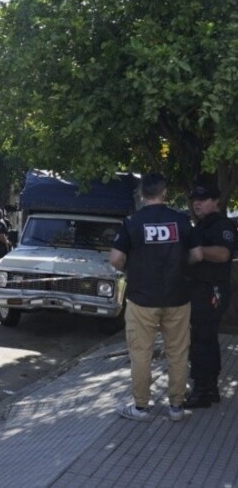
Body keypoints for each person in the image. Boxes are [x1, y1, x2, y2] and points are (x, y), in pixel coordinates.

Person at [109, 173, 201, 422]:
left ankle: (141, 408)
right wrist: (181, 267)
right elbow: (198, 255)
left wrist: (128, 270)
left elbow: (116, 258)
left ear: (142, 194)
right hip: (178, 297)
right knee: (178, 352)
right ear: (165, 193)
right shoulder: (181, 221)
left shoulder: (132, 223)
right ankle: (176, 407)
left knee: (141, 353)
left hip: (142, 299)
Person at [184, 182, 235, 409]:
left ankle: (202, 390)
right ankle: (210, 388)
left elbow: (224, 254)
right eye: (195, 199)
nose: (197, 203)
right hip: (199, 289)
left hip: (211, 289)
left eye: (203, 199)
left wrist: (200, 252)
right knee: (205, 338)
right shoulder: (201, 225)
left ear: (216, 201)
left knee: (203, 340)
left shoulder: (222, 225)